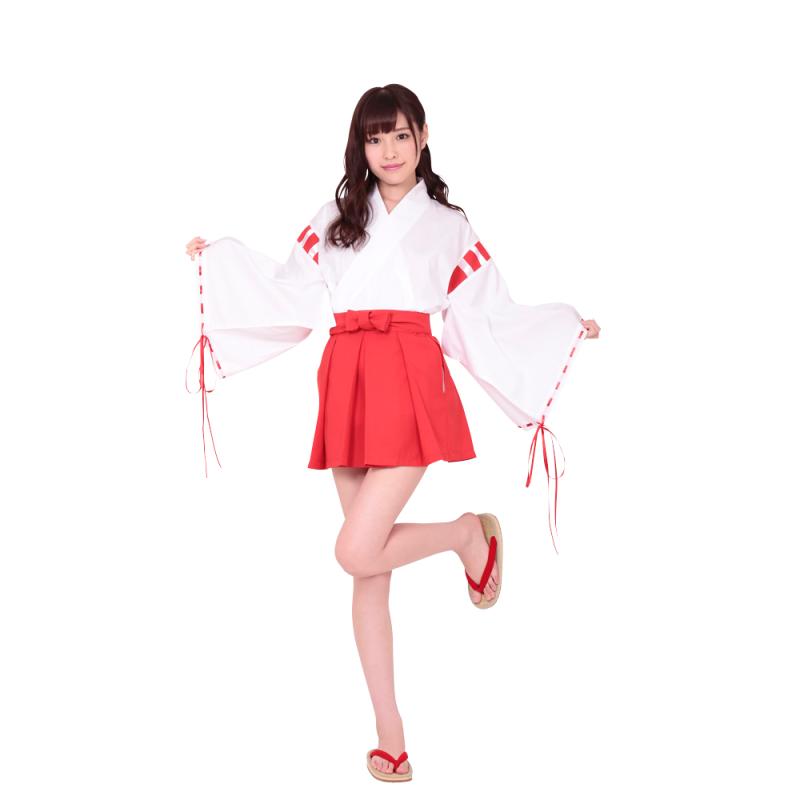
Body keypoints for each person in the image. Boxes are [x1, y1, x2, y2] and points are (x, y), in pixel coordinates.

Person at [184, 83, 600, 782]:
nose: (389, 150)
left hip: (409, 375)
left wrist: (561, 327)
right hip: (347, 374)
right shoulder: (337, 216)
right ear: (362, 146)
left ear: (423, 137)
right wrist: (218, 257)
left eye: (400, 135)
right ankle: (392, 733)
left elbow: (485, 314)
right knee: (368, 566)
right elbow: (286, 288)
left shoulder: (449, 224)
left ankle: (466, 535)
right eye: (375, 138)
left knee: (355, 549)